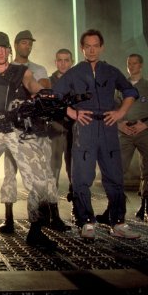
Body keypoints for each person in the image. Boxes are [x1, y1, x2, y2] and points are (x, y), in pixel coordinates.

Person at [52, 29, 141, 240]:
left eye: (95, 46)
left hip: (108, 127)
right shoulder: (74, 73)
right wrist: (73, 113)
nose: (92, 50)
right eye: (87, 46)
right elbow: (55, 96)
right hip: (85, 127)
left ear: (101, 47)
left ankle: (118, 223)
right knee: (82, 177)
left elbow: (130, 92)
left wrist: (120, 113)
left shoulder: (111, 71)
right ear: (82, 48)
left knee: (114, 176)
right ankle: (86, 222)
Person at [0, 31, 58, 250]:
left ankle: (36, 231)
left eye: (3, 48)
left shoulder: (20, 71)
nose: (0, 52)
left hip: (16, 130)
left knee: (39, 178)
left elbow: (33, 85)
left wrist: (46, 95)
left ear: (8, 50)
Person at [0, 30, 67, 234]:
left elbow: (43, 88)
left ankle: (52, 216)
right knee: (10, 173)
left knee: (45, 172)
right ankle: (8, 219)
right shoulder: (6, 69)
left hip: (37, 128)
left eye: (30, 43)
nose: (27, 46)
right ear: (15, 45)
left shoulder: (39, 69)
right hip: (12, 129)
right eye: (24, 43)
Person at [96, 54, 148, 225]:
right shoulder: (119, 86)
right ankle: (112, 208)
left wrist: (145, 125)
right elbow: (110, 108)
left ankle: (147, 209)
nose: (132, 66)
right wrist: (119, 125)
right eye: (129, 64)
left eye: (135, 63)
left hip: (144, 131)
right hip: (124, 131)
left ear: (141, 65)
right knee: (117, 170)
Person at [47, 49, 76, 221]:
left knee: (76, 171)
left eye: (66, 60)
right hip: (55, 131)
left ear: (72, 62)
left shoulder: (78, 81)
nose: (63, 63)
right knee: (53, 172)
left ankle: (77, 209)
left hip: (75, 131)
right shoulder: (48, 82)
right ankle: (53, 212)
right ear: (55, 62)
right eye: (60, 60)